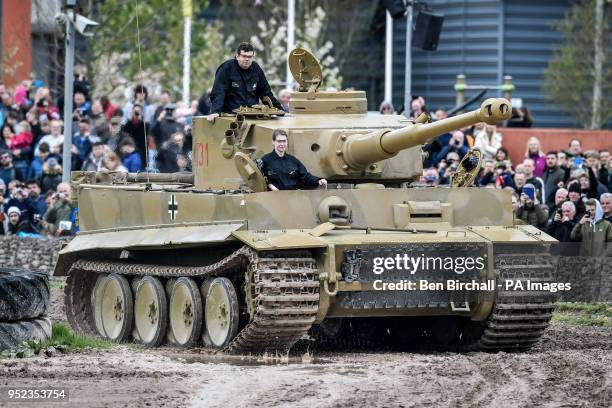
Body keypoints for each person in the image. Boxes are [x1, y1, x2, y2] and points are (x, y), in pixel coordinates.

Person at [207, 42, 283, 122]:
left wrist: (279, 110)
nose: (247, 59)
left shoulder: (256, 69)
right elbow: (219, 92)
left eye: (250, 57)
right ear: (237, 56)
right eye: (244, 56)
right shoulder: (226, 68)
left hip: (253, 116)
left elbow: (266, 93)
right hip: (231, 116)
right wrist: (215, 111)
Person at [260, 129, 327, 191]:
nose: (282, 144)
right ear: (273, 142)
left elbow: (305, 177)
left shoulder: (293, 161)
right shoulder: (265, 160)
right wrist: (270, 184)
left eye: (284, 141)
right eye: (279, 141)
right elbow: (261, 179)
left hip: (293, 197)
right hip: (274, 197)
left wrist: (318, 180)